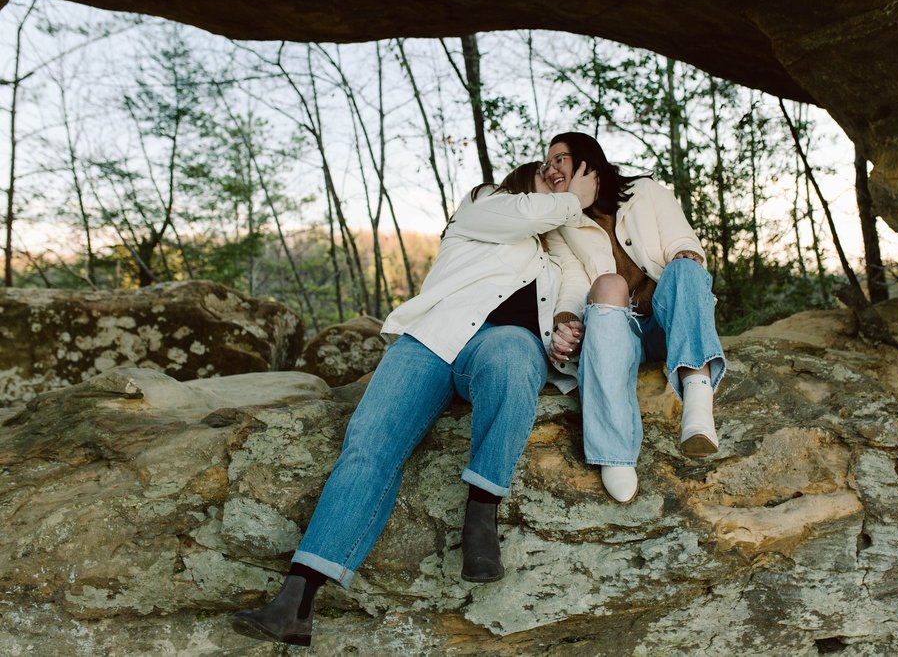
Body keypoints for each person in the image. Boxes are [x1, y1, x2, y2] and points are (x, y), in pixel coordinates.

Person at [230, 161, 597, 647]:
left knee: (513, 352)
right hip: (434, 336)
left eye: (562, 179)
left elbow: (576, 280)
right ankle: (294, 602)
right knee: (368, 445)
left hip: (500, 346)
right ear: (521, 184)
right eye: (545, 176)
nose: (555, 182)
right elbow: (525, 212)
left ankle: (481, 517)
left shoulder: (553, 250)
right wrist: (574, 198)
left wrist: (568, 317)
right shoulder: (484, 206)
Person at [542, 132, 726, 504]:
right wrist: (565, 316)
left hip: (667, 321)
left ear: (585, 159)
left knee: (685, 267)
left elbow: (681, 238)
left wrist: (685, 256)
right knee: (608, 283)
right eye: (546, 165)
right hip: (619, 332)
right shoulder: (563, 225)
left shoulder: (645, 192)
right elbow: (575, 280)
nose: (550, 170)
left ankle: (697, 400)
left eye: (558, 159)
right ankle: (614, 450)